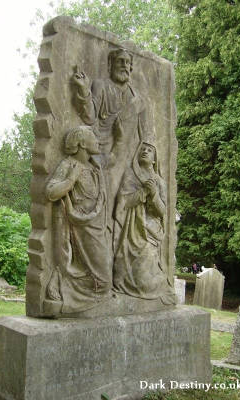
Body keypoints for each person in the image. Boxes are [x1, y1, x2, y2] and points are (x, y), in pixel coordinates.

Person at [72, 48, 148, 229]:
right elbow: (90, 117)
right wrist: (83, 89)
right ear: (110, 64)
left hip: (128, 156)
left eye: (127, 62)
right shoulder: (101, 85)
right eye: (120, 61)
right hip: (103, 152)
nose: (124, 65)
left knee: (122, 201)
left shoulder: (138, 99)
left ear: (131, 68)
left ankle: (119, 244)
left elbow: (143, 133)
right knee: (103, 202)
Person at [45, 126, 112, 313]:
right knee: (104, 281)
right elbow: (50, 192)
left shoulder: (95, 167)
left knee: (105, 279)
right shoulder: (69, 165)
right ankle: (62, 288)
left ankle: (69, 290)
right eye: (93, 137)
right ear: (82, 143)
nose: (97, 140)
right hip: (79, 227)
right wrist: (71, 180)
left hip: (96, 227)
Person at [112, 141, 176, 304]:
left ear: (155, 159)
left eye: (149, 150)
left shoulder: (159, 182)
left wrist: (154, 194)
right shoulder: (130, 175)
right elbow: (123, 202)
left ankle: (161, 284)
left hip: (150, 233)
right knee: (119, 272)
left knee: (142, 278)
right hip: (131, 230)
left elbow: (163, 212)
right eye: (142, 149)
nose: (145, 152)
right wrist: (143, 192)